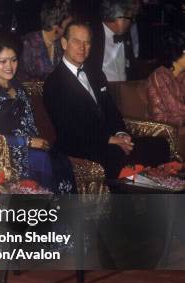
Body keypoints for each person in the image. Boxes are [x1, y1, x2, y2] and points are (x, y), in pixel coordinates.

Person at [43, 21, 170, 180]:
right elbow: (69, 128)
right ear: (64, 43)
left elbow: (111, 110)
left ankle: (156, 192)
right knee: (116, 154)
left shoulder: (95, 73)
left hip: (109, 140)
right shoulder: (54, 83)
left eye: (87, 42)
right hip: (78, 145)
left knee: (160, 145)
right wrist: (110, 140)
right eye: (76, 41)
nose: (82, 47)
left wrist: (121, 133)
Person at [0, 34, 76, 193]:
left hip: (28, 146)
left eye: (14, 60)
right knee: (40, 158)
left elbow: (29, 124)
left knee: (59, 158)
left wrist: (36, 142)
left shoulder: (18, 88)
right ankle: (44, 212)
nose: (9, 66)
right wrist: (26, 142)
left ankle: (62, 212)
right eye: (2, 61)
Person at [87, 0, 135, 82]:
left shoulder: (126, 36)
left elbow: (131, 67)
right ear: (118, 18)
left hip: (123, 89)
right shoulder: (91, 35)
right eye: (130, 19)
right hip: (100, 91)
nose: (131, 23)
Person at [20, 2, 71, 80]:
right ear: (56, 25)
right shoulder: (28, 43)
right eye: (68, 25)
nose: (71, 28)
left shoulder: (61, 43)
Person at [147, 31, 185, 127]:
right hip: (163, 128)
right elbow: (174, 108)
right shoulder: (160, 76)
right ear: (177, 53)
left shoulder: (182, 75)